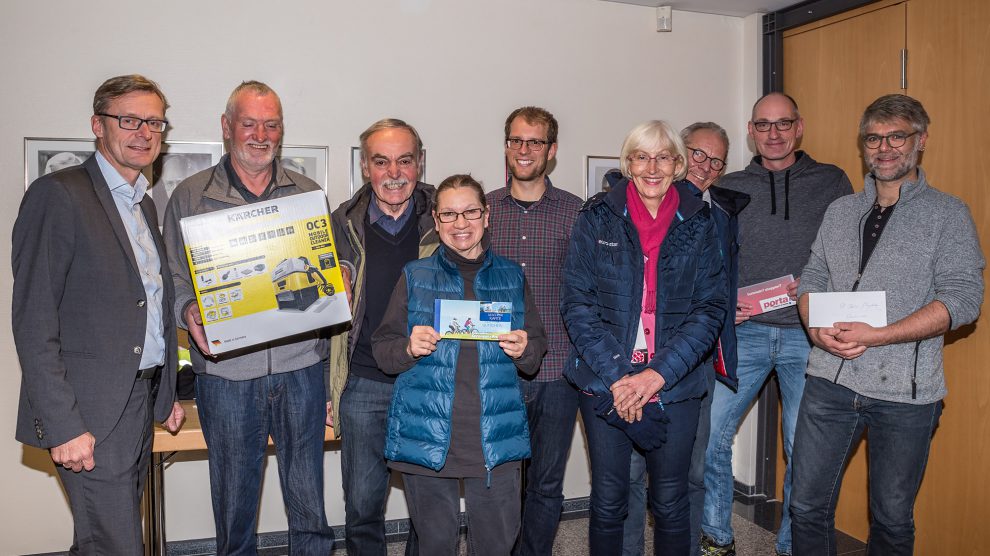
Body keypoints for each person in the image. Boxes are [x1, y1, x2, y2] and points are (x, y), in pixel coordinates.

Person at [790, 94, 984, 555]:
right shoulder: (840, 212)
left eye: (897, 136)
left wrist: (879, 335)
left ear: (921, 140)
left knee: (892, 519)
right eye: (874, 138)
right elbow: (812, 278)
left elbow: (963, 300)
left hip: (906, 395)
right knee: (805, 507)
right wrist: (814, 327)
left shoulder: (948, 214)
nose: (885, 147)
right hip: (828, 383)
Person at [12, 74, 184, 554]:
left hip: (136, 400)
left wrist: (165, 389)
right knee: (115, 543)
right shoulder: (59, 194)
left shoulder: (143, 207)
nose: (144, 132)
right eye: (129, 120)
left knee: (103, 537)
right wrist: (63, 425)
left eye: (154, 122)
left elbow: (152, 307)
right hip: (88, 410)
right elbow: (34, 320)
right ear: (97, 125)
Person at [163, 81, 333, 554]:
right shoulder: (190, 197)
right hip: (226, 374)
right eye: (249, 123)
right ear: (227, 127)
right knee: (234, 507)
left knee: (309, 506)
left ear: (281, 130)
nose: (260, 134)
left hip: (301, 369)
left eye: (271, 124)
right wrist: (187, 308)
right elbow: (173, 279)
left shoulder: (307, 192)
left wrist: (338, 277)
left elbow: (325, 272)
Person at [562, 120, 727, 555]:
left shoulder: (701, 221)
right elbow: (578, 306)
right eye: (641, 156)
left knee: (671, 500)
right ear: (628, 163)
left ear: (678, 164)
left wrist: (655, 375)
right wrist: (622, 377)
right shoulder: (595, 216)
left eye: (663, 156)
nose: (652, 167)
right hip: (606, 380)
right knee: (609, 499)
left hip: (674, 384)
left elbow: (709, 309)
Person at [701, 93, 852, 556]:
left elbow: (849, 250)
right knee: (708, 438)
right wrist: (726, 304)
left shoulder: (831, 181)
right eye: (763, 125)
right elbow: (710, 257)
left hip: (810, 337)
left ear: (799, 127)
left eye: (783, 124)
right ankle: (717, 538)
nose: (773, 133)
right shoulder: (729, 184)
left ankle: (790, 547)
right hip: (743, 333)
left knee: (803, 451)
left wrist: (815, 283)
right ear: (751, 131)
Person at [371, 174, 547, 555]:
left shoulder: (512, 276)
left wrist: (524, 347)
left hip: (494, 440)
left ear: (486, 217)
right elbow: (383, 350)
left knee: (497, 546)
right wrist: (407, 347)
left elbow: (536, 348)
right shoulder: (415, 275)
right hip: (428, 437)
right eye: (449, 214)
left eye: (470, 212)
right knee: (435, 547)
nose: (460, 223)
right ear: (436, 221)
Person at [623, 122, 748, 556]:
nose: (705, 166)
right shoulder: (625, 207)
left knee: (692, 474)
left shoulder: (720, 214)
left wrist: (735, 304)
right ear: (678, 154)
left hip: (697, 364)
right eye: (698, 154)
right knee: (631, 475)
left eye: (716, 161)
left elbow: (717, 288)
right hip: (635, 364)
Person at [329, 118, 438, 555]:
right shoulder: (339, 224)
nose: (394, 173)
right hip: (363, 383)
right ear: (364, 167)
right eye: (381, 161)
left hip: (427, 379)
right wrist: (328, 387)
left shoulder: (446, 220)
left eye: (405, 160)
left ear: (420, 163)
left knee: (429, 507)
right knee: (362, 507)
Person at [486, 106, 583, 556]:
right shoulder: (482, 210)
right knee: (500, 481)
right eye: (516, 141)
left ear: (552, 150)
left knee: (545, 482)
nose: (525, 150)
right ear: (506, 146)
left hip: (558, 371)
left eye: (535, 142)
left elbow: (590, 289)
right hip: (495, 370)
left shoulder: (576, 212)